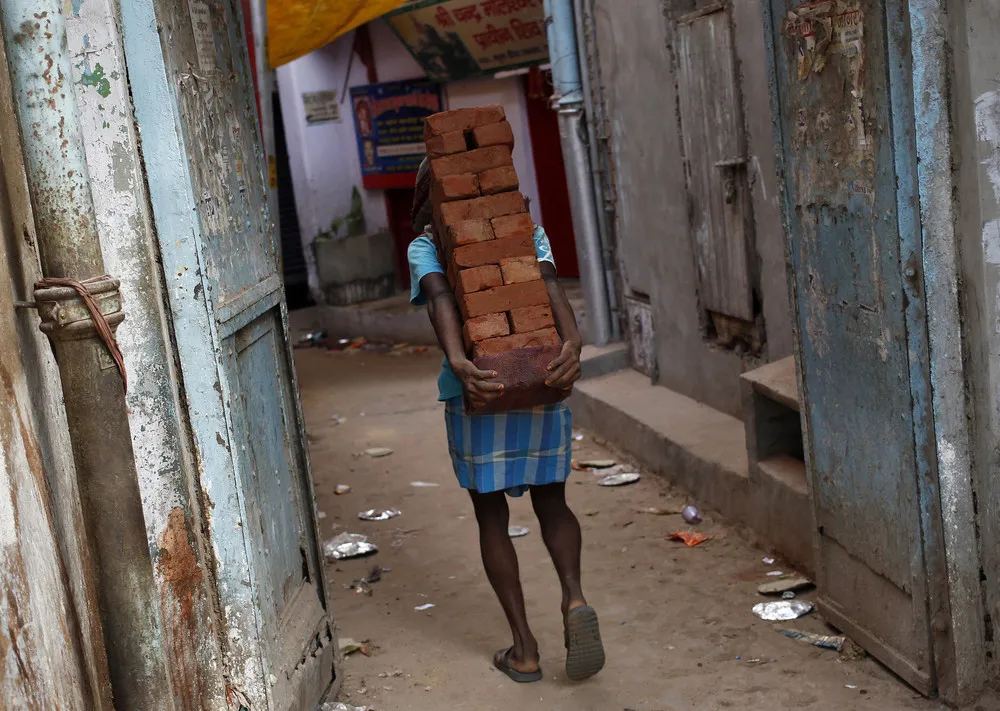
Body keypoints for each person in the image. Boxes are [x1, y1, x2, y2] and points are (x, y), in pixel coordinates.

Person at [407, 158, 605, 684]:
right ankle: (575, 597)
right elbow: (548, 284)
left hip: (478, 390)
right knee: (553, 500)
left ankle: (525, 650)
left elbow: (439, 298)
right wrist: (573, 345)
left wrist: (458, 361)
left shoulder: (427, 245)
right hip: (540, 379)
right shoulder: (526, 230)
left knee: (491, 516)